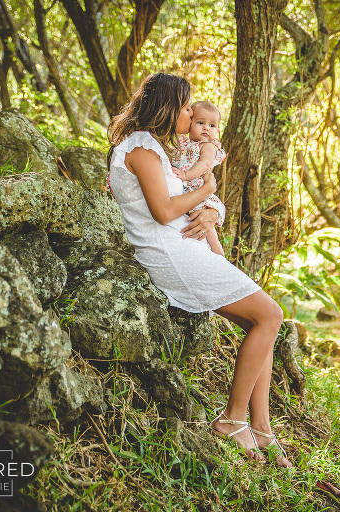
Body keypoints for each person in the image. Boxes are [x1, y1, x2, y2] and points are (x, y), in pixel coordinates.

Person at [106, 73, 292, 467]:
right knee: (270, 315)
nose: (192, 115)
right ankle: (232, 419)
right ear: (168, 107)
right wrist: (207, 191)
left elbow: (189, 200)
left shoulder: (160, 148)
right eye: (187, 107)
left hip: (187, 246)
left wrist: (211, 209)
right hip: (169, 252)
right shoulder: (140, 148)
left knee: (262, 322)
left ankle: (261, 428)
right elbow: (164, 211)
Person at [171, 100, 227, 256]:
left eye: (212, 125)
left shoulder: (208, 146)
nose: (206, 128)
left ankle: (219, 255)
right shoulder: (184, 143)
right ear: (190, 123)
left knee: (207, 229)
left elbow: (203, 164)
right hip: (186, 192)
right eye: (200, 122)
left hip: (197, 189)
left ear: (217, 130)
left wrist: (185, 175)